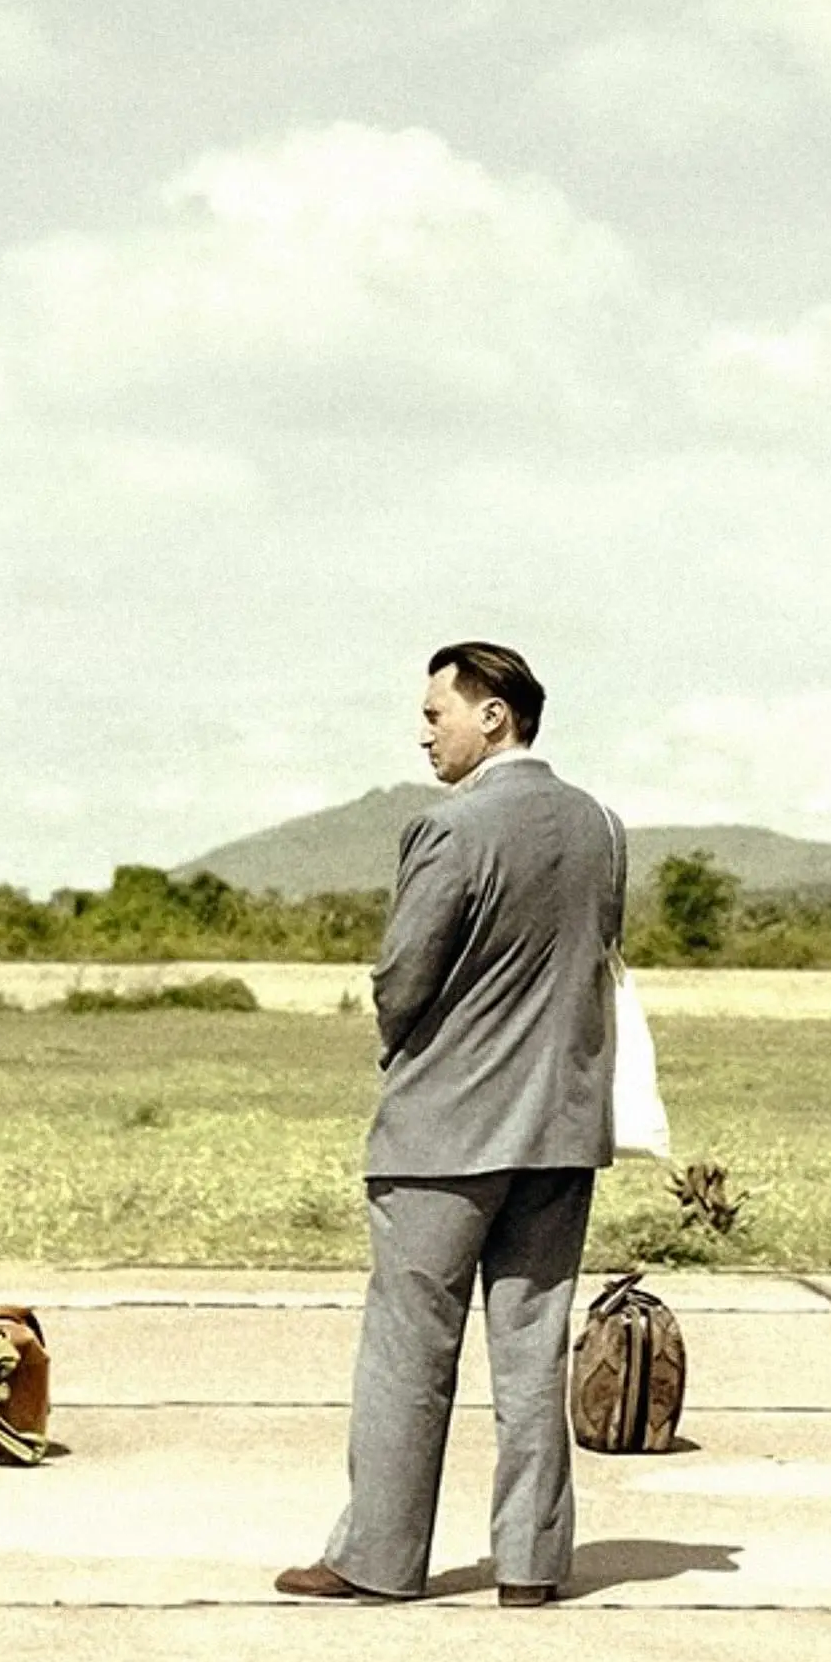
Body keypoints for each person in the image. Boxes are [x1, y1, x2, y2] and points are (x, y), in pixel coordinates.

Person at [279, 641, 629, 1608]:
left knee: (409, 1350)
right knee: (532, 1349)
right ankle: (530, 1564)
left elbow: (405, 977)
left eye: (437, 713)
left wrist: (403, 1044)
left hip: (444, 1133)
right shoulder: (601, 826)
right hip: (560, 1126)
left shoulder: (448, 830)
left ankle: (378, 1558)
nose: (423, 730)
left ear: (493, 715)